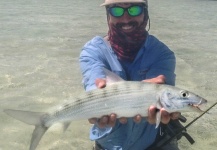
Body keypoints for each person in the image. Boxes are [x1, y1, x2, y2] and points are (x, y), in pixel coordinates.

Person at [79, 0, 181, 149]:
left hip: (155, 144)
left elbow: (164, 96)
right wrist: (98, 93)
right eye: (117, 11)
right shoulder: (93, 51)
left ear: (145, 13)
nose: (126, 19)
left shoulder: (162, 54)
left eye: (134, 10)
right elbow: (94, 83)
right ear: (108, 15)